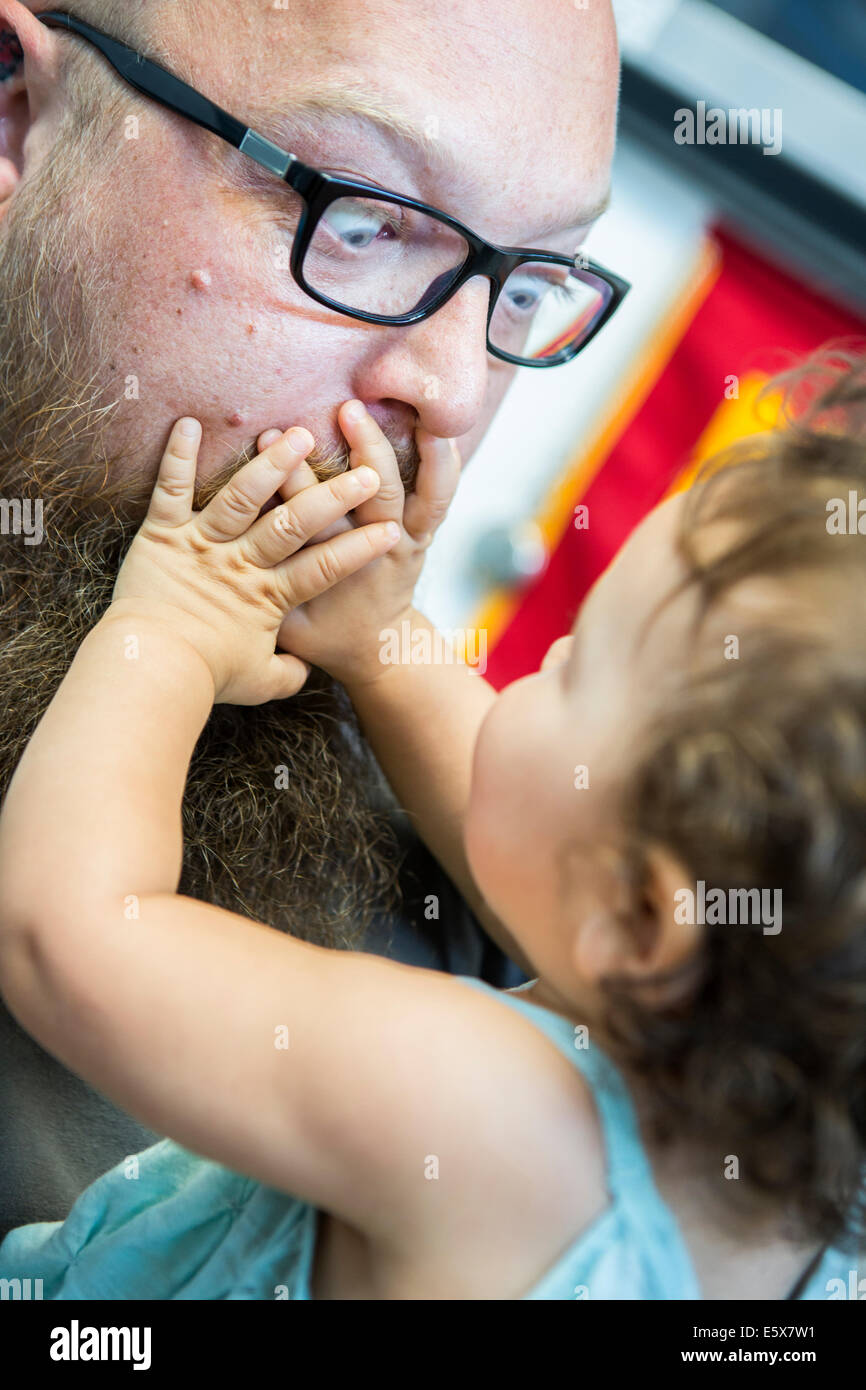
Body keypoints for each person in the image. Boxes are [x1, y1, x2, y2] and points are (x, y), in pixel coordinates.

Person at [1, 353, 864, 1299]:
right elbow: (532, 867)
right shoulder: (806, 1204)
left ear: (640, 918)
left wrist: (167, 628)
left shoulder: (477, 1112)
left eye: (577, 668)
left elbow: (67, 935)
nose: (554, 651)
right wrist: (383, 643)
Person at [0, 0, 624, 1235]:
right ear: (18, 112)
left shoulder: (488, 861)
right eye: (364, 218)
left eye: (527, 280)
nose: (448, 394)